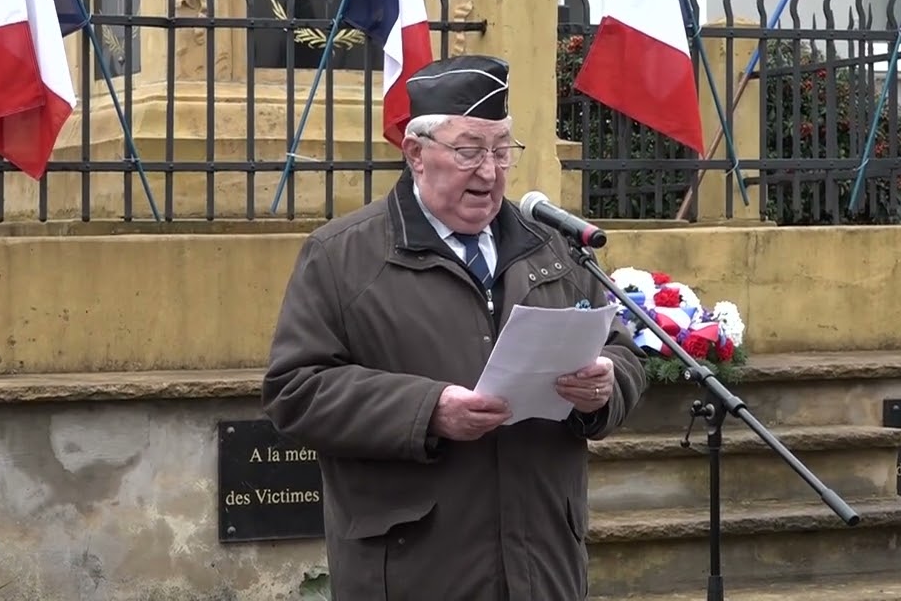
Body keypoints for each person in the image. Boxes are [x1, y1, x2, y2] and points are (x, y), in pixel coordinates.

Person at [261, 54, 648, 601]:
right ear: (416, 154)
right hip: (416, 569)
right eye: (469, 150)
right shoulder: (343, 256)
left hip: (543, 567)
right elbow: (295, 391)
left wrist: (607, 383)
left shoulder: (554, 249)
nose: (489, 172)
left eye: (501, 150)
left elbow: (623, 351)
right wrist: (429, 410)